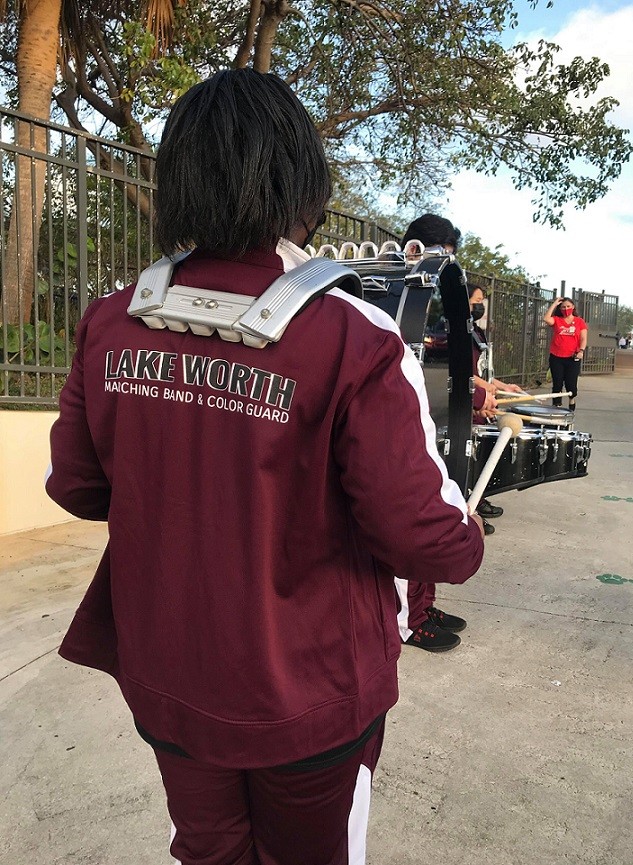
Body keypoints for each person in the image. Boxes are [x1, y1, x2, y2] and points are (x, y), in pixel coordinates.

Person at [46, 71, 484, 865]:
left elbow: (77, 486)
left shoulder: (111, 322)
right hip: (310, 695)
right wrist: (469, 531)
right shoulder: (356, 336)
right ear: (301, 183)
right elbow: (428, 539)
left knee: (207, 850)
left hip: (169, 679)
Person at [393, 215, 491, 653]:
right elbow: (417, 361)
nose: (449, 259)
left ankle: (424, 603)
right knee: (408, 518)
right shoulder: (401, 293)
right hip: (403, 420)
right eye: (446, 249)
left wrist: (476, 389)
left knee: (433, 508)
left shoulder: (432, 292)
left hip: (430, 417)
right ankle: (407, 621)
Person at [467, 283, 525, 532]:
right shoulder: (456, 331)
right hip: (470, 398)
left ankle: (479, 498)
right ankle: (471, 509)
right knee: (470, 458)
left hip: (481, 396)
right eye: (476, 300)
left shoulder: (475, 331)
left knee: (479, 457)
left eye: (481, 301)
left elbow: (483, 370)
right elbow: (465, 374)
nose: (480, 306)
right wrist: (483, 395)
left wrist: (502, 386)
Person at [543, 296, 588, 412]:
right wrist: (555, 303)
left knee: (571, 383)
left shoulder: (579, 322)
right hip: (556, 357)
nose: (566, 308)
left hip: (572, 357)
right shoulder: (557, 320)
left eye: (568, 306)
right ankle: (556, 405)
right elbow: (546, 318)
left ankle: (571, 401)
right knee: (557, 383)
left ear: (573, 307)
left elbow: (583, 338)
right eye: (563, 307)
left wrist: (581, 351)